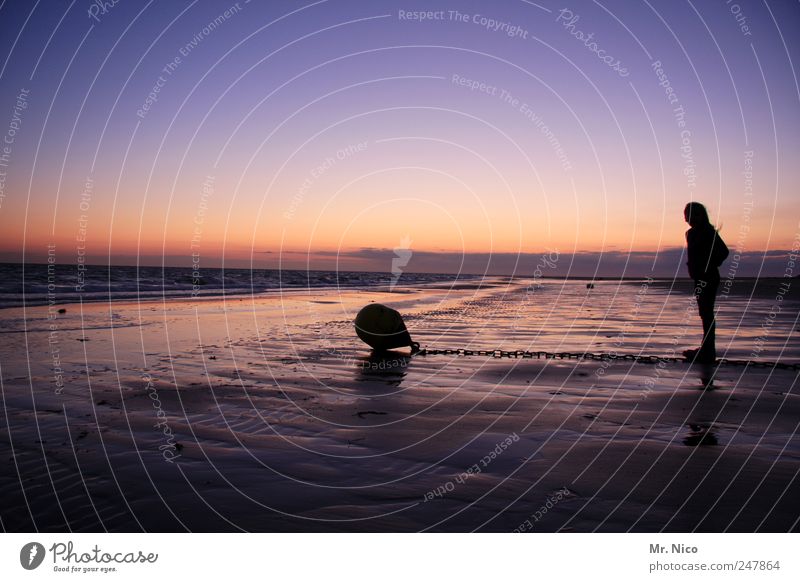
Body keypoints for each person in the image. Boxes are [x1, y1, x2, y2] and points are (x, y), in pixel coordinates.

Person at [683, 202, 729, 364]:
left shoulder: (708, 232)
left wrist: (709, 264)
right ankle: (706, 349)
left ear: (702, 215)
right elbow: (692, 256)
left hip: (709, 277)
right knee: (704, 313)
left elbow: (724, 252)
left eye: (694, 214)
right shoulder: (690, 234)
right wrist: (692, 268)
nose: (690, 218)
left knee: (707, 313)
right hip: (698, 278)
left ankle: (708, 351)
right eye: (687, 215)